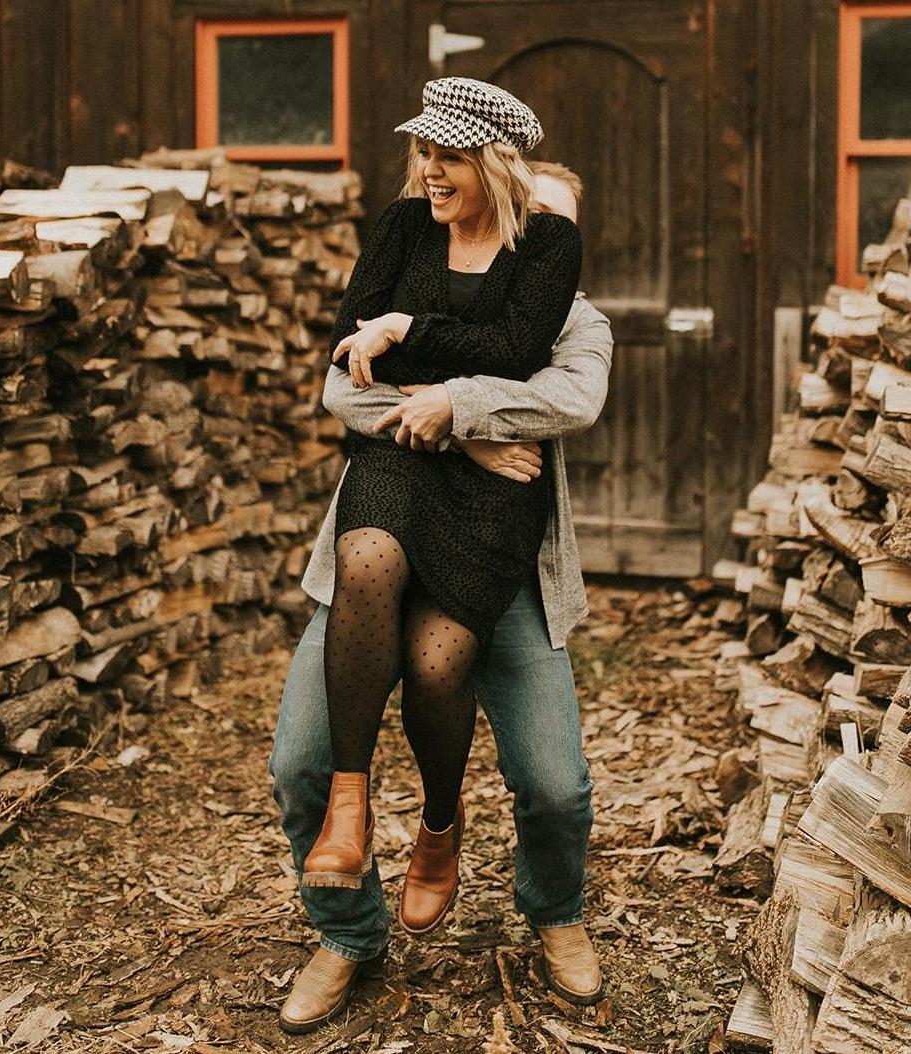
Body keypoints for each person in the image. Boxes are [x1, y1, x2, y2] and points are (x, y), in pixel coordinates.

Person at [269, 157, 613, 1034]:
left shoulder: (580, 325)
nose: (530, 237)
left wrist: (451, 402)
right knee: (300, 763)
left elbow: (570, 399)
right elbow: (341, 387)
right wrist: (466, 433)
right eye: (524, 215)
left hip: (503, 573)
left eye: (551, 225)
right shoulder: (416, 272)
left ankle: (556, 912)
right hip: (379, 564)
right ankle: (348, 933)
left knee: (556, 786)